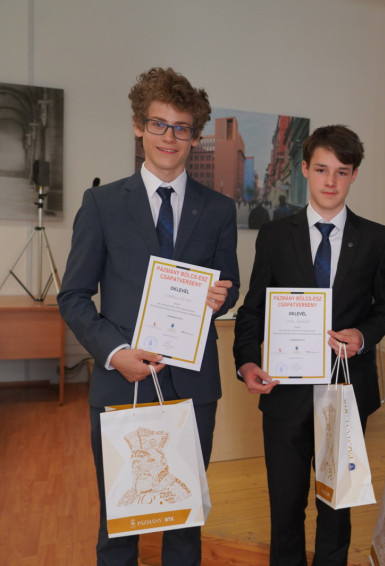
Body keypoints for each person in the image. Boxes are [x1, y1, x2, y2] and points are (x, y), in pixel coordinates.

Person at [57, 67, 239, 566]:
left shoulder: (219, 210)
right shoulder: (101, 204)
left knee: (184, 525)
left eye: (181, 128)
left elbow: (230, 284)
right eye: (158, 124)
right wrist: (115, 353)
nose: (169, 137)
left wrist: (222, 297)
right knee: (119, 527)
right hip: (121, 383)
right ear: (139, 126)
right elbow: (73, 296)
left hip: (193, 388)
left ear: (195, 137)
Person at [233, 125, 385, 566]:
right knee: (286, 509)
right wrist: (247, 362)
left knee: (336, 508)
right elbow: (252, 309)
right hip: (285, 393)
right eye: (322, 169)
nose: (331, 181)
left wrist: (363, 336)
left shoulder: (377, 238)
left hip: (345, 394)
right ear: (305, 169)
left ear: (354, 175)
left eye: (341, 172)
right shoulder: (275, 235)